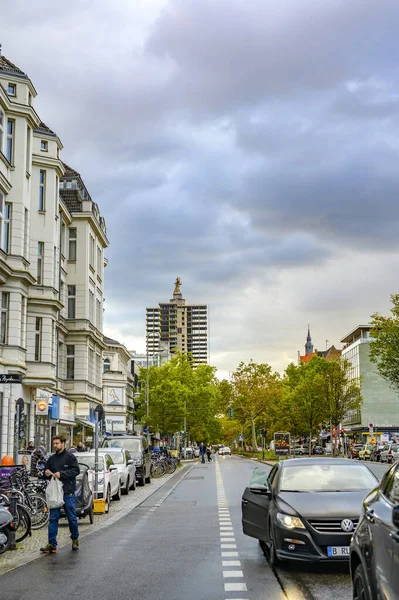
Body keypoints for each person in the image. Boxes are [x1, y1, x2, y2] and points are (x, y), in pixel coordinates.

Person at [40, 434, 80, 554]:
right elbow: (45, 472)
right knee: (53, 518)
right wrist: (46, 473)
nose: (55, 445)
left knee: (71, 517)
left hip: (67, 492)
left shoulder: (70, 457)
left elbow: (76, 470)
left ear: (63, 443)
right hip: (55, 493)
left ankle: (75, 539)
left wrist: (61, 474)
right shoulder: (52, 459)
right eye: (54, 443)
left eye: (57, 443)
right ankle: (52, 544)